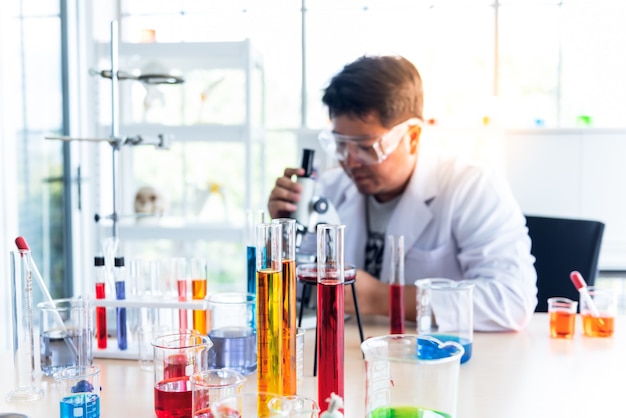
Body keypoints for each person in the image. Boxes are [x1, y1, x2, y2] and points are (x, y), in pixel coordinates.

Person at [268, 55, 537, 331]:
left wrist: (381, 298)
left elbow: (511, 300)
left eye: (366, 146)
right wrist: (283, 237)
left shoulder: (471, 187)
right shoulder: (331, 188)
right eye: (341, 144)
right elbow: (299, 300)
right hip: (352, 356)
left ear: (412, 136)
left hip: (434, 361)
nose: (349, 161)